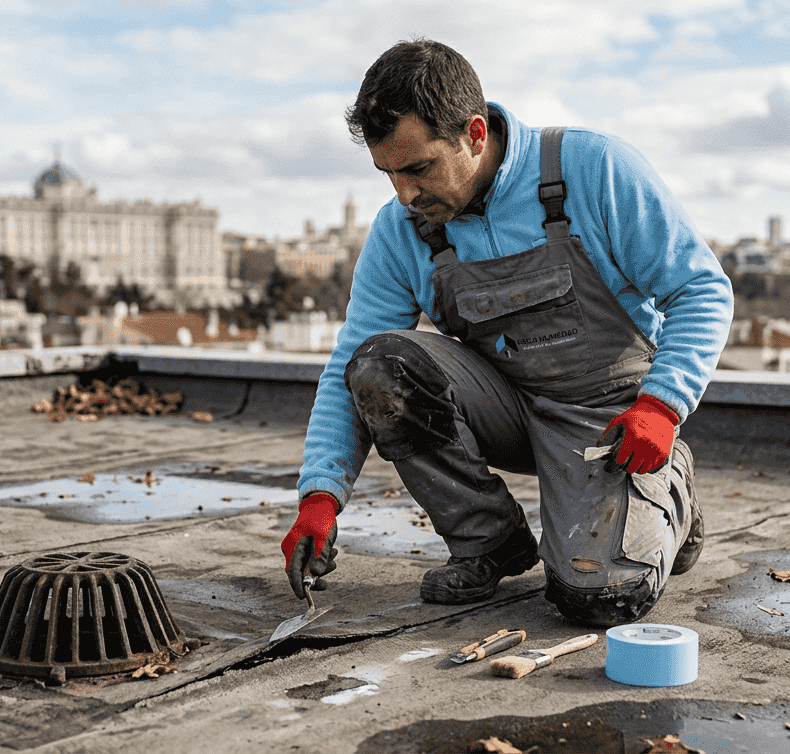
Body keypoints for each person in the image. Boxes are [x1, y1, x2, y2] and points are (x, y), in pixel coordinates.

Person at [280, 38, 732, 626]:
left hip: (611, 420)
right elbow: (350, 366)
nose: (405, 195)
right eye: (388, 173)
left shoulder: (593, 168)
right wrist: (320, 495)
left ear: (474, 134)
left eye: (417, 169)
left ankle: (672, 491)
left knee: (599, 598)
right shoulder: (401, 230)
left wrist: (663, 407)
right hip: (507, 409)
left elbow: (701, 289)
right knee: (378, 366)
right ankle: (488, 541)